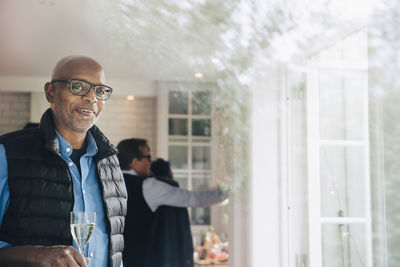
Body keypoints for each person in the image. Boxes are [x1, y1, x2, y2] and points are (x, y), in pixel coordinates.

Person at [0, 55, 127, 267]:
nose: (91, 98)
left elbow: (114, 250)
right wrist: (36, 256)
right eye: (78, 87)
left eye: (100, 91)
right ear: (51, 92)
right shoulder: (7, 153)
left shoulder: (111, 165)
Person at [117, 138, 228, 267]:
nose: (150, 162)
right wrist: (224, 194)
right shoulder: (148, 186)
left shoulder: (111, 183)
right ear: (135, 162)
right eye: (148, 157)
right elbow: (194, 198)